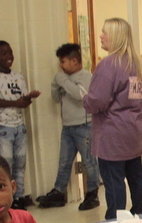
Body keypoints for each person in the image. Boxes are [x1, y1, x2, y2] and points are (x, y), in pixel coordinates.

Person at [82, 19, 142, 220]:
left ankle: (115, 221)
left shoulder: (108, 65)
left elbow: (97, 101)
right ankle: (141, 213)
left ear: (116, 37)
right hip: (134, 131)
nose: (101, 36)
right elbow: (141, 98)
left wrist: (85, 99)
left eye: (104, 32)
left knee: (114, 180)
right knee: (136, 175)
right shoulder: (138, 64)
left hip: (112, 134)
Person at [37, 43, 101, 211]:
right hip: (68, 127)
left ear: (74, 61)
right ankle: (58, 192)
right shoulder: (64, 79)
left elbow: (80, 95)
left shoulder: (85, 76)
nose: (60, 65)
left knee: (89, 161)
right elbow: (56, 98)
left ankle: (92, 194)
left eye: (63, 61)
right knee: (64, 161)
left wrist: (62, 80)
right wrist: (55, 84)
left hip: (84, 126)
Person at [0, 41, 40, 209]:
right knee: (5, 165)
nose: (9, 56)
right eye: (3, 53)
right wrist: (15, 103)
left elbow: (22, 101)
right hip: (1, 126)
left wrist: (28, 98)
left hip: (19, 125)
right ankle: (6, 199)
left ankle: (19, 197)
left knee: (20, 163)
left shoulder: (18, 76)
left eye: (10, 52)